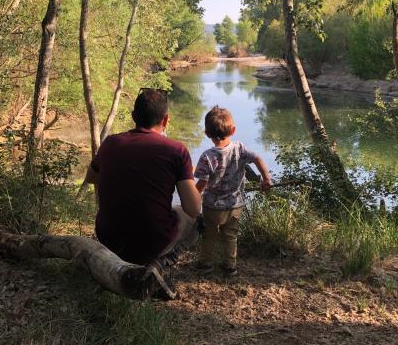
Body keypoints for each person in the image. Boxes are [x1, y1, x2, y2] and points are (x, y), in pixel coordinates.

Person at [84, 88, 201, 269]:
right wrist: (186, 175)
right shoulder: (176, 150)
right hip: (152, 242)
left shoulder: (111, 143)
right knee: (194, 220)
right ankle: (162, 263)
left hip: (109, 238)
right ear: (166, 119)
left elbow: (91, 177)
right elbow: (193, 208)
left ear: (133, 116)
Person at [194, 106, 272, 276]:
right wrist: (266, 178)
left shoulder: (207, 156)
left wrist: (193, 196)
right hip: (235, 205)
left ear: (207, 133)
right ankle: (230, 266)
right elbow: (258, 158)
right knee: (231, 236)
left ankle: (206, 264)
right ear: (233, 130)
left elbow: (202, 183)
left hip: (212, 207)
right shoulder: (240, 149)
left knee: (210, 236)